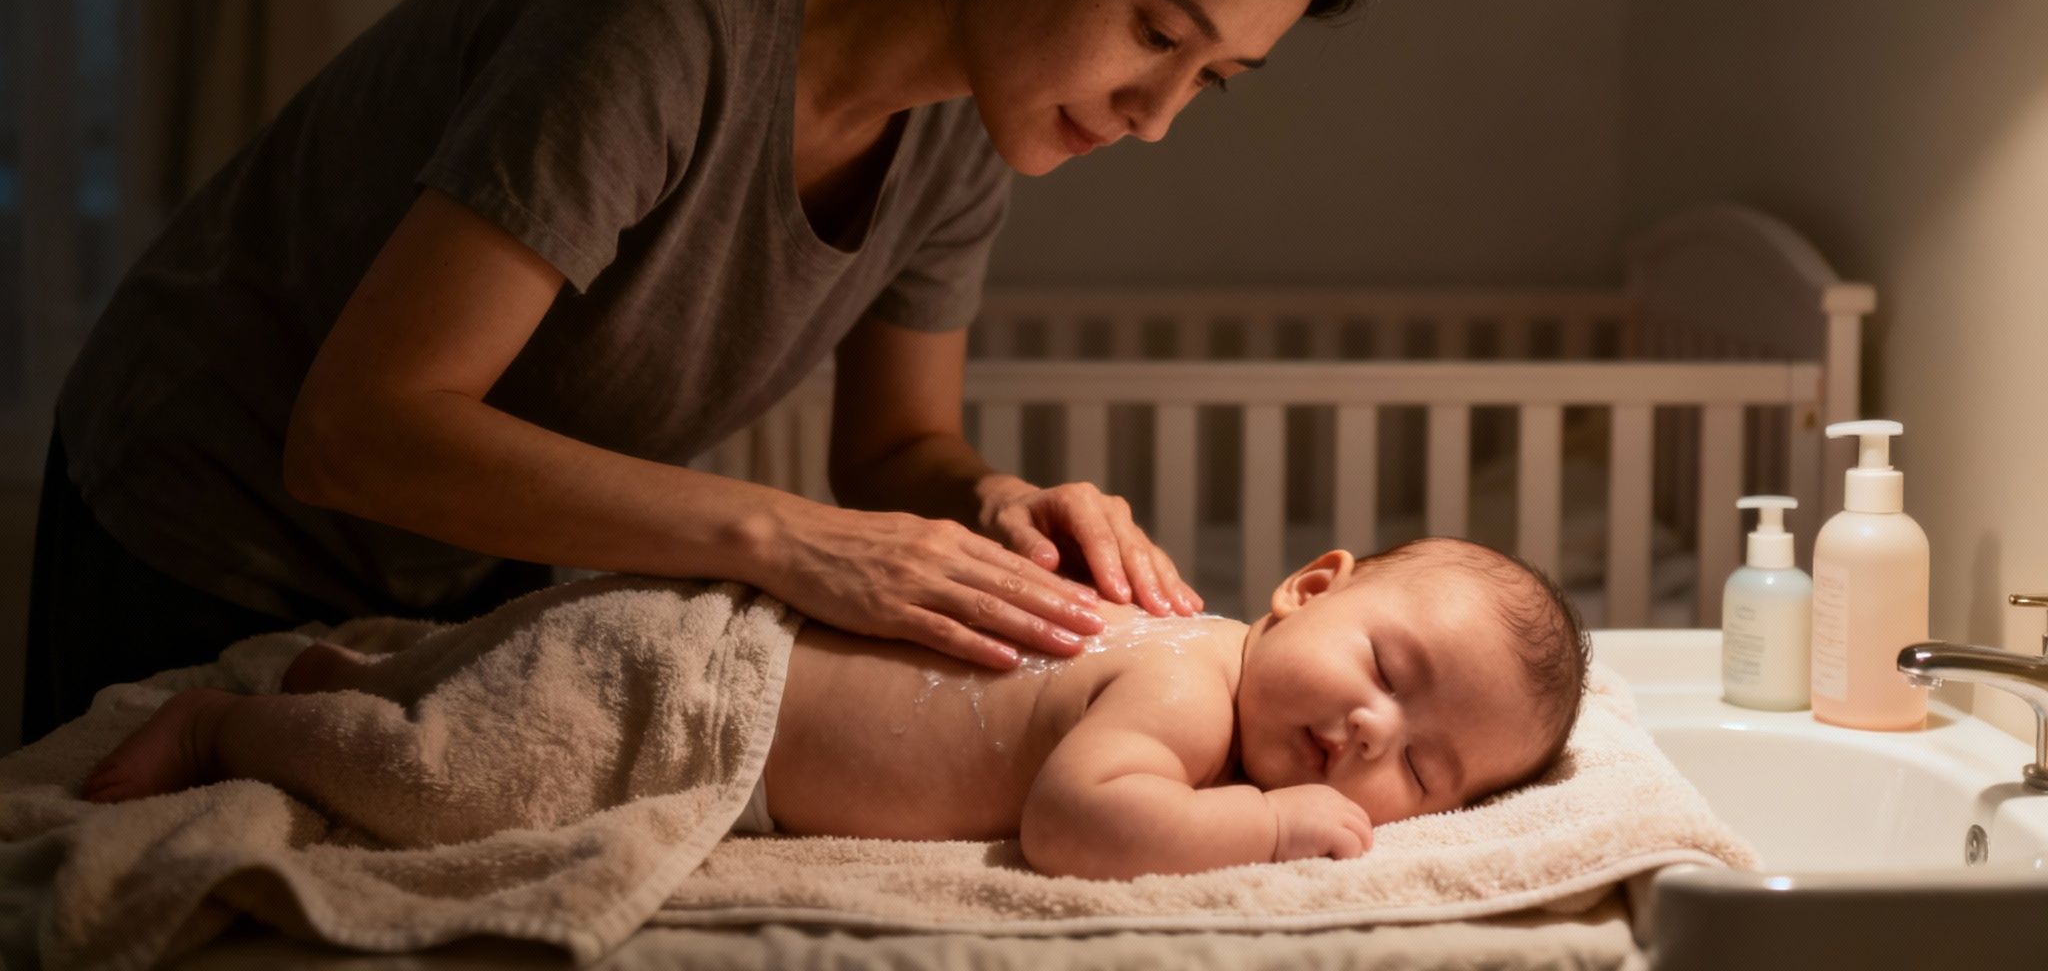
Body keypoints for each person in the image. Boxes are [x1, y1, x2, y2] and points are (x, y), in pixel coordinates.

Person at [22, 0, 1374, 744]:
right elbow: (358, 432)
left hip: (455, 565)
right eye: (1157, 34)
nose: (1156, 116)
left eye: (1214, 80)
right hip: (196, 521)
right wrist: (789, 541)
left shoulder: (969, 130)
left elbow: (896, 446)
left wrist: (998, 503)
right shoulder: (662, 8)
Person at [82, 537, 1591, 878]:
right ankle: (243, 731)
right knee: (438, 781)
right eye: (1388, 676)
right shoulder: (1187, 690)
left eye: (1434, 771)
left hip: (684, 649)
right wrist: (1264, 829)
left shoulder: (1197, 662)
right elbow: (1078, 824)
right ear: (1308, 591)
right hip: (693, 694)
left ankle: (356, 680)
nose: (1371, 745)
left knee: (482, 687)